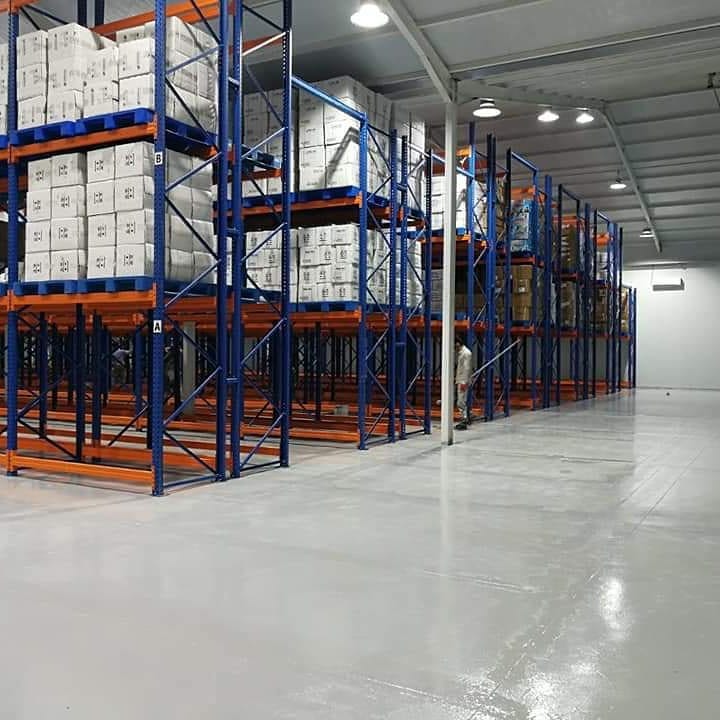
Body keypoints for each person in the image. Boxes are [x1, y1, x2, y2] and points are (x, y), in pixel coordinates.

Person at [454, 335, 473, 430]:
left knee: (461, 401)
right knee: (461, 400)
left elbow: (466, 368)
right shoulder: (462, 352)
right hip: (460, 380)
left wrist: (463, 382)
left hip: (463, 381)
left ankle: (464, 419)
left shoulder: (466, 353)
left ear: (458, 344)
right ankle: (465, 418)